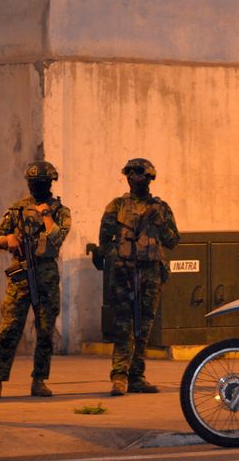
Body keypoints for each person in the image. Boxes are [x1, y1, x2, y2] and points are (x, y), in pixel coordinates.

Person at [97, 158, 180, 396]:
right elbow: (104, 242)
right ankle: (119, 376)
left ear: (149, 178)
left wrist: (160, 222)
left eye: (140, 175)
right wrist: (120, 259)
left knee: (143, 327)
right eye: (131, 175)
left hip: (151, 273)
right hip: (125, 273)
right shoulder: (116, 206)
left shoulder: (161, 208)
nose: (135, 179)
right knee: (123, 325)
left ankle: (137, 376)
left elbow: (173, 240)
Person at [0, 161, 71, 399]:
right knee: (9, 330)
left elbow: (56, 239)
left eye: (42, 182)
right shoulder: (17, 209)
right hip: (20, 278)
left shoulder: (59, 211)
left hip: (45, 278)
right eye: (34, 183)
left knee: (45, 332)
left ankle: (39, 380)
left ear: (50, 183)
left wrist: (45, 213)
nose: (37, 186)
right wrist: (9, 239)